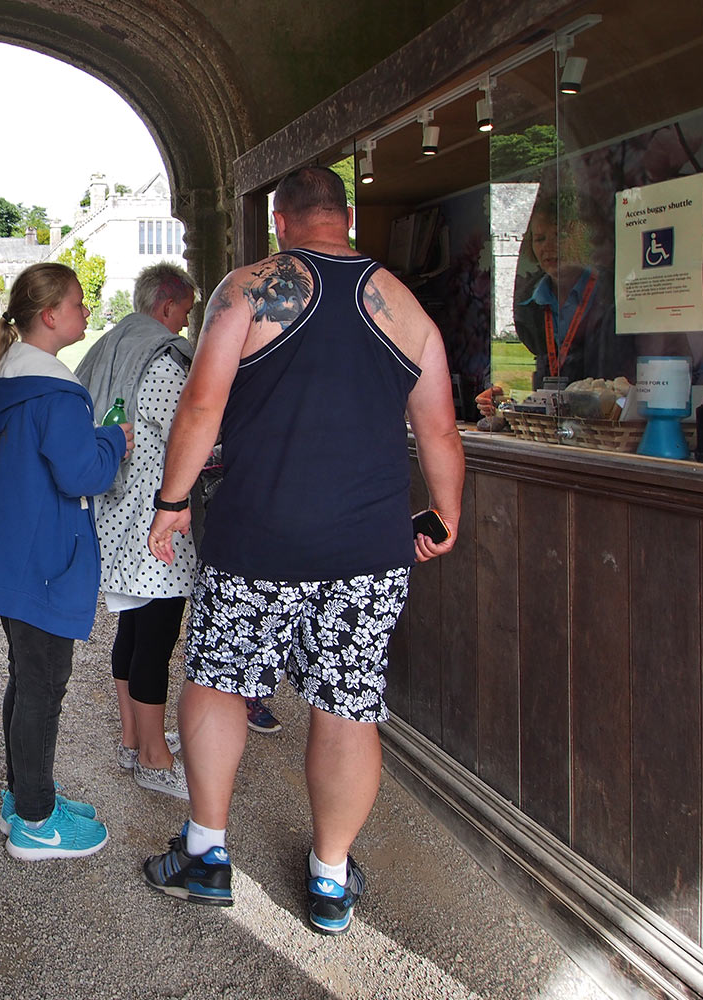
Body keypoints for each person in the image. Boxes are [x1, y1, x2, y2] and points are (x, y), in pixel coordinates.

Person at [141, 166, 463, 934]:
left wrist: (172, 502)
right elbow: (439, 429)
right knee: (348, 708)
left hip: (258, 536)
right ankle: (327, 881)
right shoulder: (407, 308)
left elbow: (203, 401)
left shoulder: (249, 289)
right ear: (345, 219)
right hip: (368, 546)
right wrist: (445, 516)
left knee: (219, 683)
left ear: (281, 222)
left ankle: (208, 855)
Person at [0, 261, 132, 860]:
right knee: (42, 686)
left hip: (12, 557)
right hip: (43, 565)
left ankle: (25, 794)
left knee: (28, 677)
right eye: (80, 304)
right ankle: (36, 821)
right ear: (50, 316)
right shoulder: (56, 391)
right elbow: (85, 473)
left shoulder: (12, 376)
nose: (87, 313)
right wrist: (115, 439)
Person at [73, 263, 198, 799]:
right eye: (186, 315)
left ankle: (132, 738)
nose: (185, 327)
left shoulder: (111, 343)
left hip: (113, 511)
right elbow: (187, 434)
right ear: (167, 306)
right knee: (155, 638)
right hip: (155, 522)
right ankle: (154, 756)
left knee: (133, 629)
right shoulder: (164, 358)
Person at [476, 198, 631, 415]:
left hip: (603, 428)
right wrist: (496, 390)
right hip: (548, 429)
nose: (549, 247)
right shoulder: (525, 305)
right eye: (540, 238)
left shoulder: (614, 294)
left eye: (560, 236)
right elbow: (509, 366)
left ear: (582, 238)